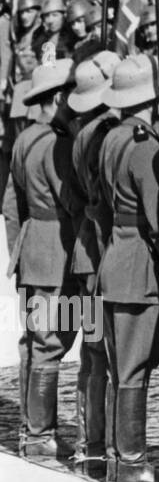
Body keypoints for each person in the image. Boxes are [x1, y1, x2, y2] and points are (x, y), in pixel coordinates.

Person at [97, 55, 159, 482]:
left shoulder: (112, 138)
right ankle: (130, 460)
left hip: (115, 260)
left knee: (120, 368)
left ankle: (117, 456)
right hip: (139, 270)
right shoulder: (146, 147)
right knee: (133, 370)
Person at [3, 60, 78, 457]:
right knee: (52, 340)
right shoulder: (57, 142)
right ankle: (39, 434)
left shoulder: (23, 139)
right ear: (60, 98)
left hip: (32, 249)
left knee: (33, 341)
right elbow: (70, 200)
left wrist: (19, 251)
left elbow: (11, 206)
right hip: (58, 251)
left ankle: (32, 432)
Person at [65, 51, 122, 477]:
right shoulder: (104, 134)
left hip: (88, 253)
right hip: (103, 251)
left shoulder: (82, 131)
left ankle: (91, 442)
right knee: (104, 353)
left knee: (93, 352)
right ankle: (103, 444)